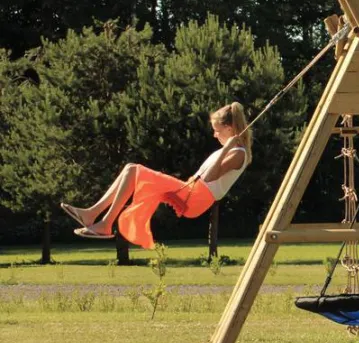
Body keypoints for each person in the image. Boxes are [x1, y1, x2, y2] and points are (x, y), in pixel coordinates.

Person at [60, 103, 252, 250]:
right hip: (190, 190)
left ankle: (104, 224)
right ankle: (93, 214)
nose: (214, 135)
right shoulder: (227, 151)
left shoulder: (238, 154)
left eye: (217, 131)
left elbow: (209, 178)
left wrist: (226, 148)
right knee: (130, 169)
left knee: (134, 170)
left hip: (197, 198)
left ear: (229, 129)